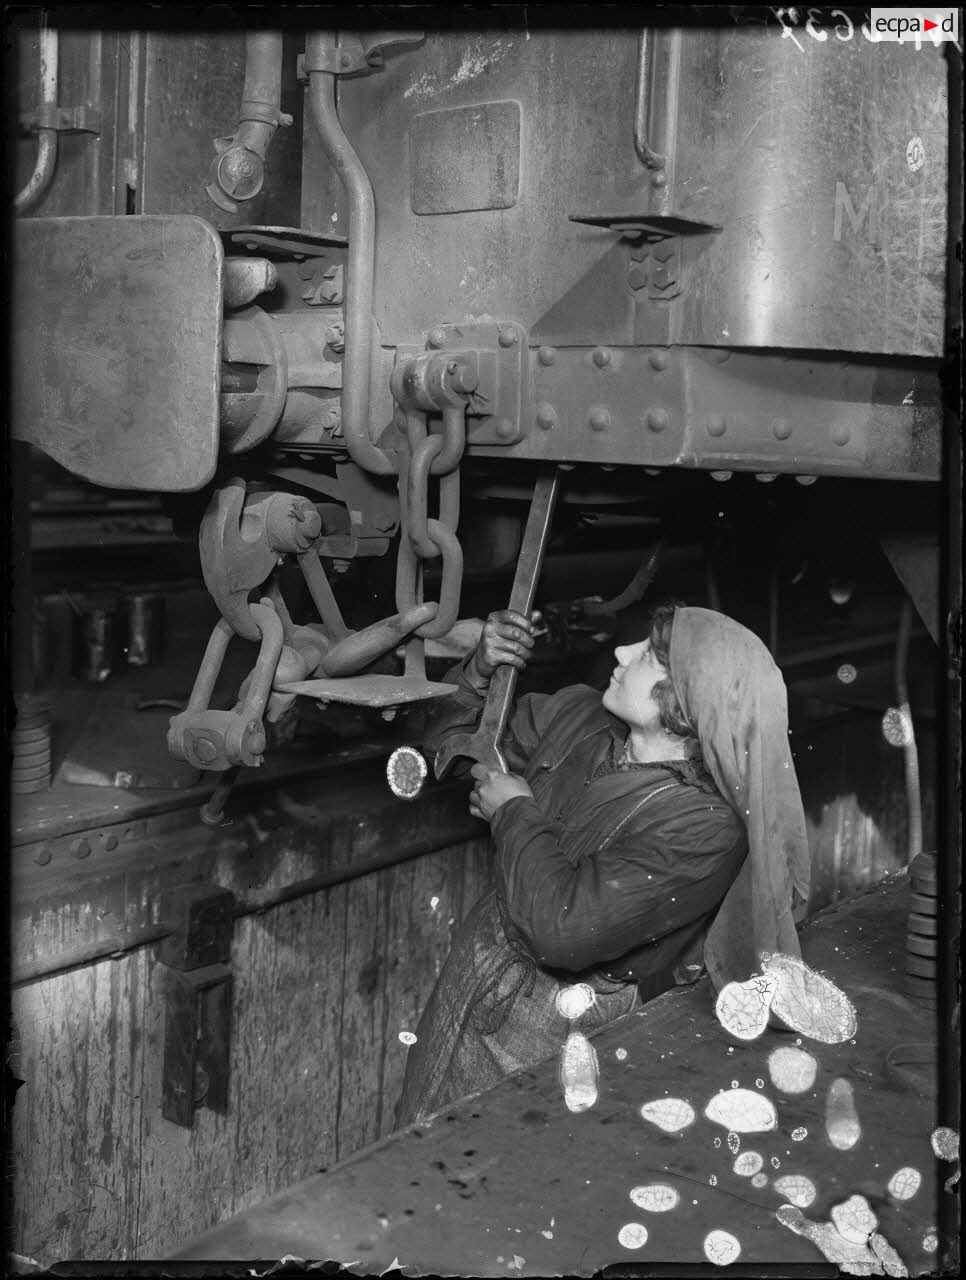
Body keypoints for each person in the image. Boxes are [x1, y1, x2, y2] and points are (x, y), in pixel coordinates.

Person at [395, 602, 811, 1126]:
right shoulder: (579, 716)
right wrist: (479, 672)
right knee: (414, 1141)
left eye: (649, 655)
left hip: (560, 1022)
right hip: (476, 966)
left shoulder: (705, 828)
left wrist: (513, 812)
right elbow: (445, 748)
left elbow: (563, 931)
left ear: (686, 698)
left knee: (494, 1183)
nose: (620, 651)